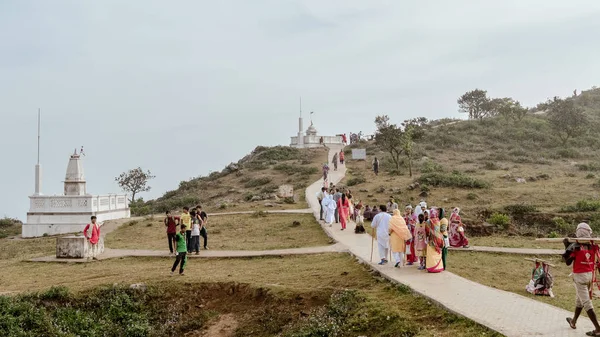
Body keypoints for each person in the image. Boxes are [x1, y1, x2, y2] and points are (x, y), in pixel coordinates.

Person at [564, 223, 600, 335]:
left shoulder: (575, 246)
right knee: (579, 300)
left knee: (586, 303)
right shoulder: (593, 245)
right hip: (590, 276)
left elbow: (567, 262)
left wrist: (566, 246)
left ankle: (598, 329)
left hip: (580, 277)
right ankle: (573, 321)